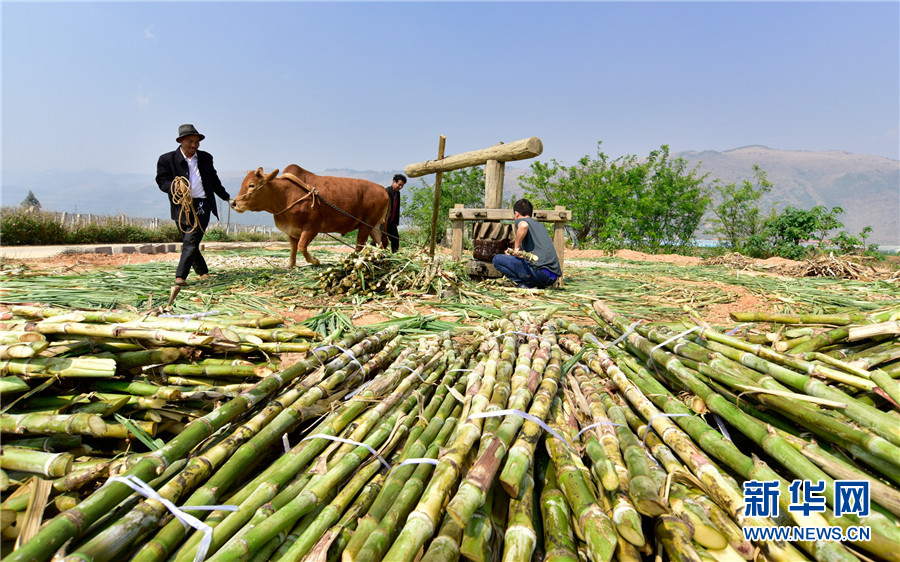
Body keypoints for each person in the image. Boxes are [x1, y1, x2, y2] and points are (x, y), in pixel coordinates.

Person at [156, 124, 231, 285]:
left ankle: (180, 276)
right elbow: (162, 181)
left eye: (197, 142)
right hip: (181, 206)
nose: (194, 145)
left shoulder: (205, 158)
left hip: (203, 204)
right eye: (190, 141)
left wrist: (227, 198)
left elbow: (214, 181)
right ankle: (203, 272)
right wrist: (175, 186)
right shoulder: (166, 159)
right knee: (190, 242)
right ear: (180, 141)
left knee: (191, 240)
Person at [492, 198, 562, 289]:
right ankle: (536, 284)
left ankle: (524, 285)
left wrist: (516, 247)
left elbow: (523, 225)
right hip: (552, 277)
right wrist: (515, 254)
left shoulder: (520, 221)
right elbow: (533, 257)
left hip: (541, 274)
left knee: (497, 259)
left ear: (516, 214)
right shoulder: (539, 225)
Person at [382, 173, 406, 253]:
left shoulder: (398, 194)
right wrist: (382, 217)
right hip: (384, 221)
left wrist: (396, 222)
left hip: (392, 222)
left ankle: (394, 255)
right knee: (379, 239)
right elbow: (382, 206)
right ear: (394, 182)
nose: (400, 187)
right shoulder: (387, 191)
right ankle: (371, 254)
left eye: (402, 186)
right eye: (399, 185)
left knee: (395, 239)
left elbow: (397, 208)